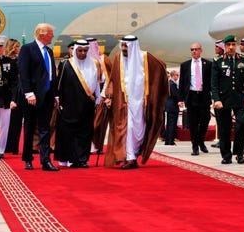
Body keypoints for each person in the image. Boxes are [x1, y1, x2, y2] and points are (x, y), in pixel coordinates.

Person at [103, 35, 168, 169]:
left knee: (139, 131)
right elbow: (113, 79)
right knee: (128, 128)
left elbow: (160, 67)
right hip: (124, 102)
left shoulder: (145, 57)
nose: (123, 48)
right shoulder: (118, 58)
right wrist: (109, 96)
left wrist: (157, 87)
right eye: (122, 45)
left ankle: (133, 155)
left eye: (126, 46)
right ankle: (129, 158)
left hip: (142, 103)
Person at [17, 23, 60, 171]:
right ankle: (28, 158)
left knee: (45, 128)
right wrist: (29, 93)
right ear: (42, 35)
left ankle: (45, 160)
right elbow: (24, 73)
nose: (53, 36)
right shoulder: (27, 49)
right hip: (32, 96)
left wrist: (55, 94)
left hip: (47, 96)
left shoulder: (49, 51)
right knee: (29, 128)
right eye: (51, 34)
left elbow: (51, 75)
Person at [54, 40, 100, 168]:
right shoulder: (66, 64)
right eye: (80, 50)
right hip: (69, 104)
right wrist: (58, 99)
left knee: (85, 131)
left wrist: (97, 98)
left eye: (85, 50)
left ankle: (82, 159)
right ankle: (70, 158)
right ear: (75, 51)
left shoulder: (93, 64)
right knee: (69, 131)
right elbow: (59, 83)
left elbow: (96, 82)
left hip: (87, 104)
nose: (83, 53)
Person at [211, 34, 244, 165]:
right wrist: (216, 99)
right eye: (228, 45)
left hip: (241, 100)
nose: (231, 47)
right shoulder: (218, 62)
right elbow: (214, 84)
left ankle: (239, 154)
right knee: (224, 129)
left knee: (241, 126)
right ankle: (226, 155)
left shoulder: (243, 61)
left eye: (233, 45)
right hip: (223, 100)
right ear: (225, 46)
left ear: (236, 46)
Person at [178, 43, 212, 155]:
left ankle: (201, 140)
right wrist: (180, 99)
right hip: (191, 96)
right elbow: (182, 83)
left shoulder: (208, 64)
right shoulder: (185, 65)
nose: (194, 51)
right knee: (193, 123)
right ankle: (195, 146)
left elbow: (212, 82)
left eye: (196, 49)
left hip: (204, 96)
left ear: (201, 50)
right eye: (192, 49)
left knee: (205, 120)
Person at [4, 38, 22, 154]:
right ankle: (6, 146)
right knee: (6, 123)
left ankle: (14, 146)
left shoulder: (19, 60)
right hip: (8, 93)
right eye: (17, 47)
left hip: (18, 93)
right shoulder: (5, 61)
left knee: (16, 122)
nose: (19, 49)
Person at [211, 39, 225, 149]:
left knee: (224, 120)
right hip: (217, 95)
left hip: (225, 95)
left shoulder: (225, 60)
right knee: (219, 120)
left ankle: (224, 140)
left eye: (217, 47)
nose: (215, 49)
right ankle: (221, 139)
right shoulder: (216, 60)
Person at [164, 70, 180, 146]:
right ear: (173, 75)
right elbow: (175, 95)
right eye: (177, 75)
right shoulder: (172, 84)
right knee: (172, 124)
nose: (178, 77)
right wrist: (180, 100)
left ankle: (168, 140)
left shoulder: (169, 83)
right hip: (173, 106)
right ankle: (170, 140)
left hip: (169, 105)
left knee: (169, 123)